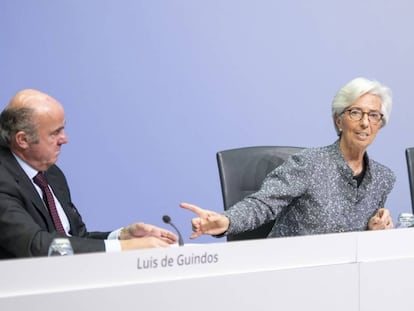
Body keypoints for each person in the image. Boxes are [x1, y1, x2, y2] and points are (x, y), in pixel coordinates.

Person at [180, 77, 395, 239]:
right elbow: (263, 203)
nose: (365, 123)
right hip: (292, 273)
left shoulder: (383, 178)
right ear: (339, 120)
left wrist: (374, 232)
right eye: (356, 113)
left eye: (374, 115)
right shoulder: (309, 164)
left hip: (344, 279)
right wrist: (226, 221)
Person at [0, 89, 178, 259]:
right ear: (23, 140)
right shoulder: (4, 178)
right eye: (55, 133)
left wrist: (120, 237)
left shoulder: (52, 175)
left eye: (62, 129)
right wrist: (124, 248)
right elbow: (38, 246)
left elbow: (75, 241)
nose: (65, 139)